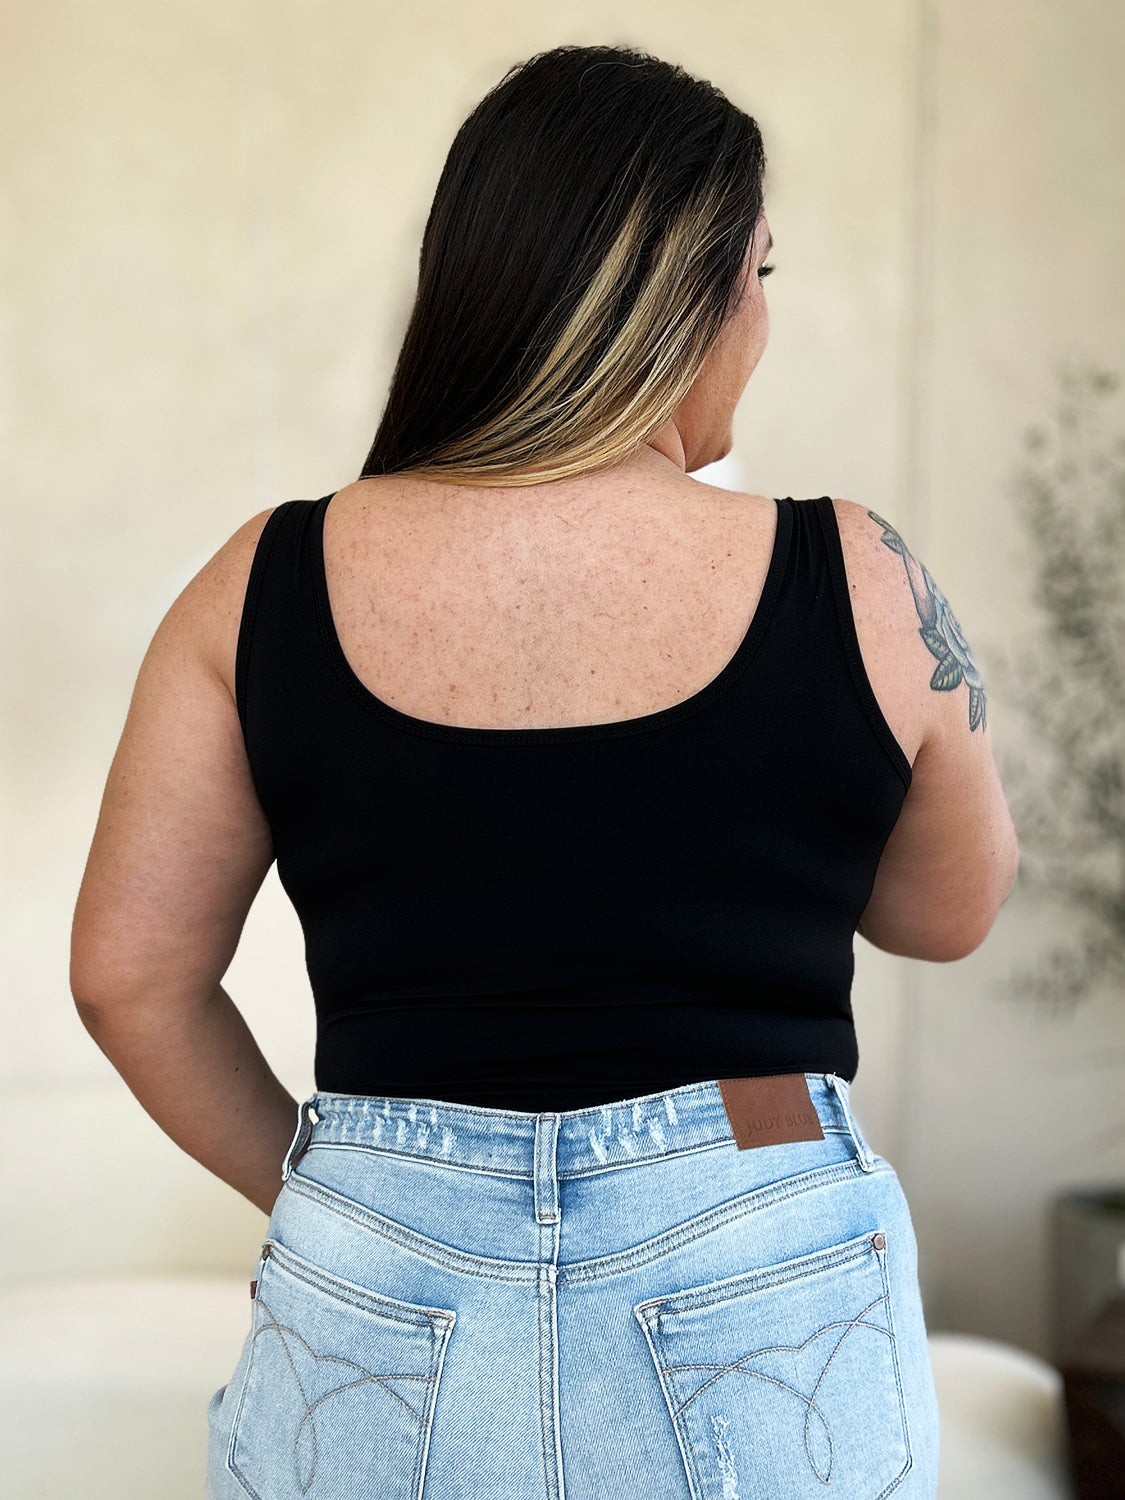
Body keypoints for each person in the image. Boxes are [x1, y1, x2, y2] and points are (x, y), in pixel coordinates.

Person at [71, 42, 1018, 1500]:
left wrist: (345, 1194)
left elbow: (128, 976)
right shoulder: (856, 572)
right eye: (759, 277)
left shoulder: (257, 579)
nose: (761, 324)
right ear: (687, 298)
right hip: (753, 1205)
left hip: (377, 1253)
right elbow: (943, 915)